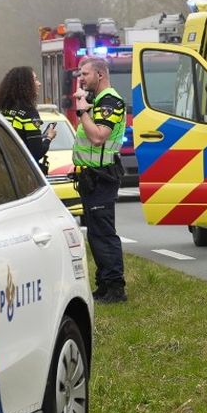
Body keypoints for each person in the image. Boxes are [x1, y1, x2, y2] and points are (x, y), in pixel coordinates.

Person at [69, 56, 128, 304]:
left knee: (104, 233)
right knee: (95, 234)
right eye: (80, 74)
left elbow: (98, 137)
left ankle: (116, 288)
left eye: (85, 74)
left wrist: (83, 111)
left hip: (102, 176)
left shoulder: (110, 101)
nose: (81, 78)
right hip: (90, 177)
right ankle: (103, 284)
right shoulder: (97, 101)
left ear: (100, 75)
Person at [0, 66, 52, 173]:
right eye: (35, 80)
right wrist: (49, 138)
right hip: (19, 173)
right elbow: (36, 152)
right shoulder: (28, 112)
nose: (39, 83)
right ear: (25, 85)